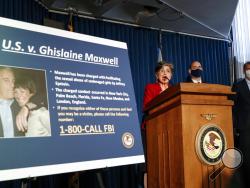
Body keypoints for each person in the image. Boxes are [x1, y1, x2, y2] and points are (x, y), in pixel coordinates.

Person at [141, 61, 174, 188]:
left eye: (168, 71)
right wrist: (161, 96)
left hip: (170, 128)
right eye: (162, 71)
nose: (165, 73)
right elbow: (145, 107)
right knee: (150, 163)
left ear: (171, 76)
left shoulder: (175, 90)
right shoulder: (151, 87)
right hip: (151, 129)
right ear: (157, 75)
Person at [232, 61, 250, 187]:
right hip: (244, 127)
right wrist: (236, 126)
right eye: (248, 69)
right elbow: (233, 107)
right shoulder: (238, 85)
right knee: (247, 158)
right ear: (244, 71)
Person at [0, 67, 25, 137]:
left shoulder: (20, 103)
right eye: (6, 80)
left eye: (13, 81)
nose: (13, 85)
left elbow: (41, 96)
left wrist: (27, 107)